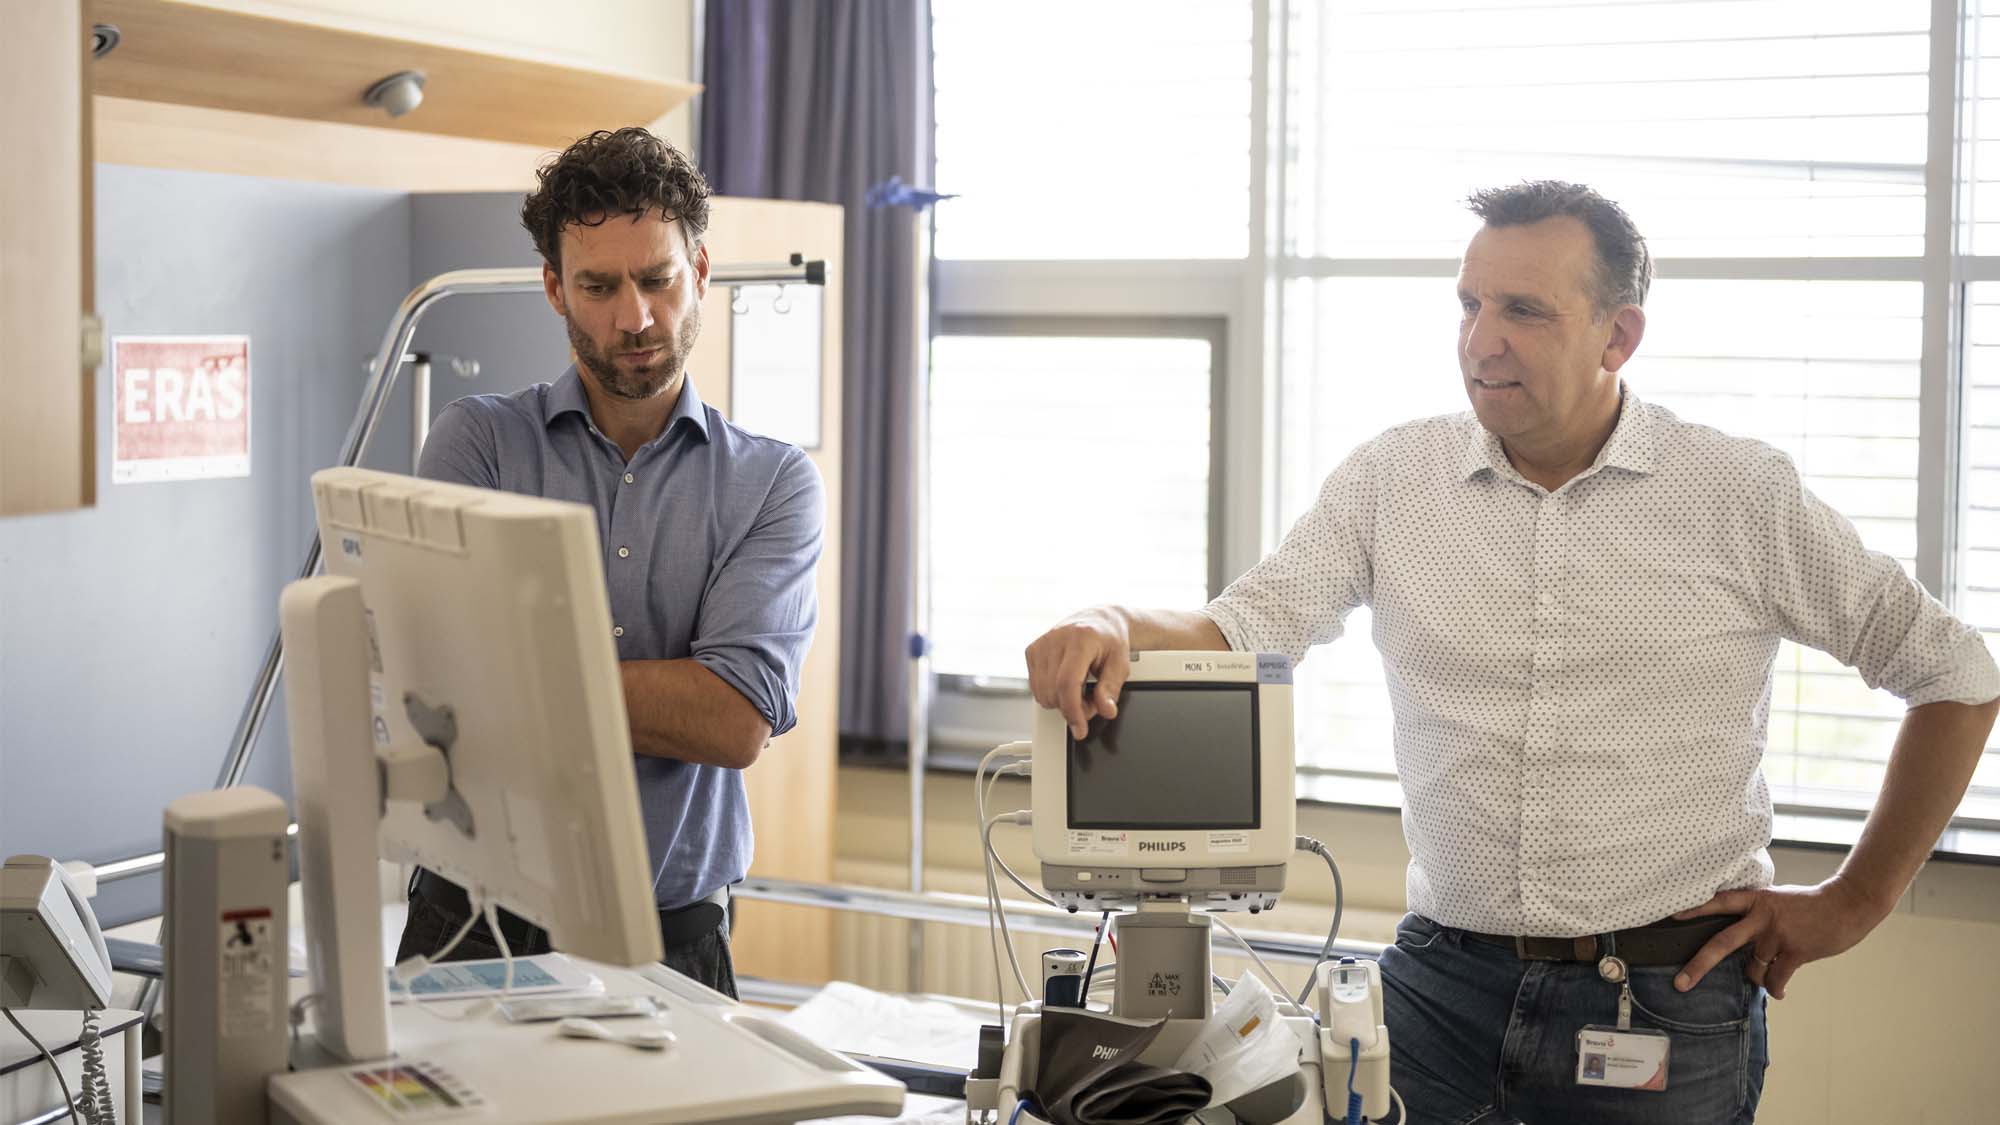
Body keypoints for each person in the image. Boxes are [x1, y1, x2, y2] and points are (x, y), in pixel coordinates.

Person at [1024, 180, 1999, 1123]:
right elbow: (1248, 623)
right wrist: (1114, 620)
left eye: (1522, 311)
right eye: (1468, 304)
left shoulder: (1735, 492)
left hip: (1662, 992)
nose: (1479, 341)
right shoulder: (1391, 478)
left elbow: (1954, 675)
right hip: (1437, 986)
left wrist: (1855, 900)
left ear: (1616, 336)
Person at [393, 127, 826, 999]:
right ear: (554, 287)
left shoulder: (773, 483)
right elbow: (438, 680)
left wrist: (518, 675)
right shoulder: (477, 445)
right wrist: (663, 689)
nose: (634, 317)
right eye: (597, 285)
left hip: (671, 942)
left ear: (699, 273)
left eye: (658, 279)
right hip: (467, 926)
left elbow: (734, 720)